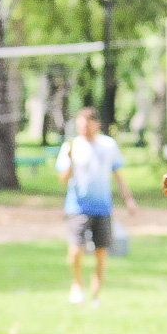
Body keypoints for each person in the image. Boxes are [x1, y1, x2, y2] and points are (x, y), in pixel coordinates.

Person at [55, 107, 135, 307]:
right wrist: (71, 161)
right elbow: (63, 179)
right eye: (80, 125)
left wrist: (128, 199)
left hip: (102, 207)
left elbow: (118, 174)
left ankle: (95, 294)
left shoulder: (109, 145)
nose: (83, 129)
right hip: (77, 207)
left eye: (87, 124)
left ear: (96, 124)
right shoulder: (70, 146)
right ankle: (76, 285)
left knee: (100, 253)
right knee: (75, 250)